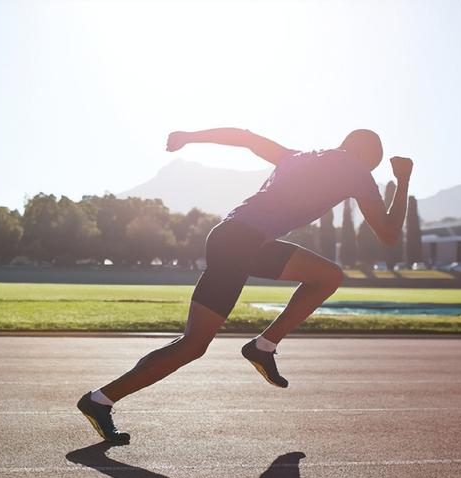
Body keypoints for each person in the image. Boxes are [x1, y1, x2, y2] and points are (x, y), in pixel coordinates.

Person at [77, 127, 413, 444]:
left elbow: (245, 138)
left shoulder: (296, 156)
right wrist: (402, 180)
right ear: (365, 155)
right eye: (372, 166)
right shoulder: (355, 168)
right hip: (242, 243)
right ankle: (100, 400)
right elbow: (387, 234)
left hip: (236, 237)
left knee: (328, 275)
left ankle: (263, 347)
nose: (367, 176)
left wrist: (190, 136)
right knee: (193, 344)